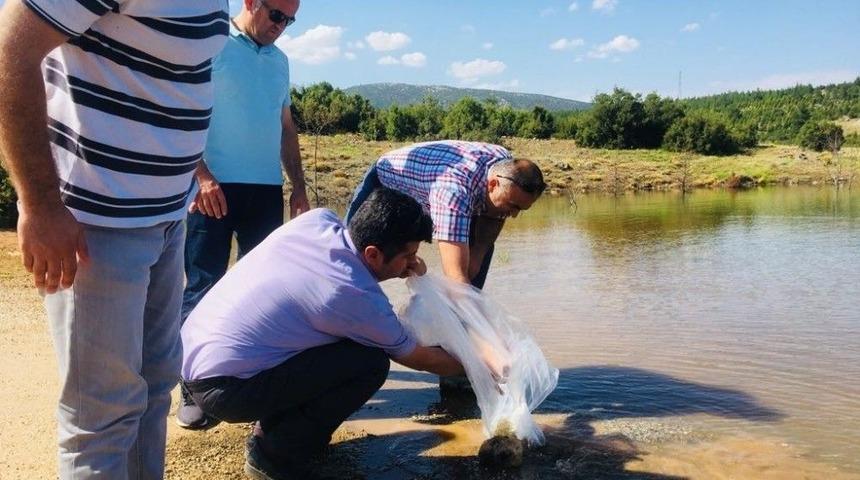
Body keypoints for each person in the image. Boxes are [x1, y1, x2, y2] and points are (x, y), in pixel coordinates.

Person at [0, 0, 228, 478]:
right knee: (101, 417)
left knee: (153, 388)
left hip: (167, 219)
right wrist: (40, 205)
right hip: (97, 225)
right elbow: (9, 50)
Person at [181, 188, 464, 479]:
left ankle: (277, 427)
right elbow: (419, 358)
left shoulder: (318, 220)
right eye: (409, 255)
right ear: (373, 253)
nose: (414, 263)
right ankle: (274, 454)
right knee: (370, 363)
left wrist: (400, 264)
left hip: (189, 355)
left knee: (333, 339)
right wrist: (476, 366)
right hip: (226, 390)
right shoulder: (354, 295)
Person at [176, 0, 309, 430]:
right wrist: (201, 176)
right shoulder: (213, 43)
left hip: (266, 191)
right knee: (204, 287)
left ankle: (250, 382)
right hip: (212, 189)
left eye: (289, 20)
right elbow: (183, 111)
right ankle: (193, 389)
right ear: (251, 2)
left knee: (261, 293)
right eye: (276, 16)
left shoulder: (280, 62)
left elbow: (286, 128)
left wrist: (299, 187)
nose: (281, 26)